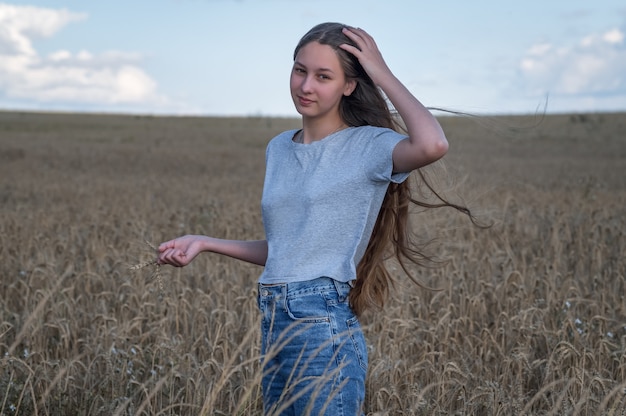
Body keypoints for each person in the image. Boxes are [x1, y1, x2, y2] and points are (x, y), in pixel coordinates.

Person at [158, 22, 470, 415]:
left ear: (349, 85)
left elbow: (432, 144)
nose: (306, 86)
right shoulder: (279, 148)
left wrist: (382, 71)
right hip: (274, 322)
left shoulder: (368, 146)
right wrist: (204, 242)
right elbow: (290, 250)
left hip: (321, 325)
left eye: (324, 76)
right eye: (300, 70)